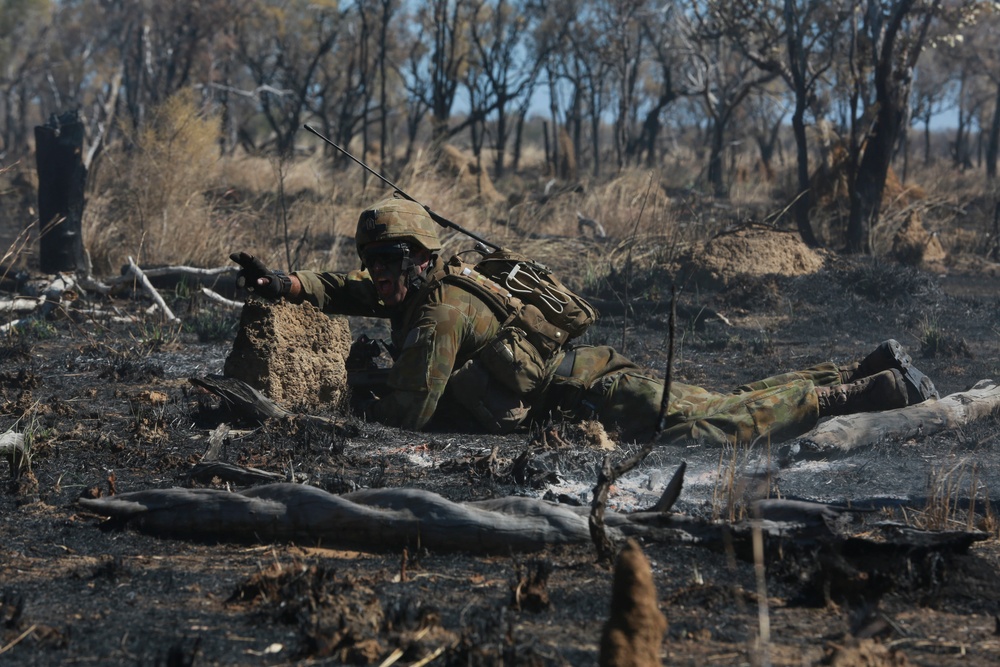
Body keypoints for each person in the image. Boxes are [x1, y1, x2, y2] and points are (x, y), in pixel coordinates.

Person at [230, 192, 939, 446]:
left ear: (419, 259)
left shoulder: (439, 312)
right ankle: (863, 366)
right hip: (587, 381)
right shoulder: (426, 286)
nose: (379, 272)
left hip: (597, 394)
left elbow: (407, 419)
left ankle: (860, 393)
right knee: (722, 404)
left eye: (390, 259)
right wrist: (289, 283)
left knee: (723, 424)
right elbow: (358, 292)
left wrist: (350, 396)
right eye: (372, 260)